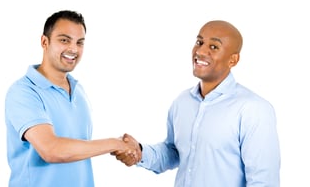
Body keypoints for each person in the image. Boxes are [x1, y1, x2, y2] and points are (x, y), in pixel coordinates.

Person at [113, 20, 281, 186]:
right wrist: (139, 152)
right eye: (199, 42)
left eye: (213, 47)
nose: (200, 51)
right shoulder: (182, 102)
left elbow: (263, 181)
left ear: (233, 60)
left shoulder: (253, 109)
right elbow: (173, 153)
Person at [5, 10, 140, 187]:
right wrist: (115, 144)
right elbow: (51, 150)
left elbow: (78, 151)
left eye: (80, 42)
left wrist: (127, 152)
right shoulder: (23, 92)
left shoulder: (79, 91)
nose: (73, 49)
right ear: (44, 42)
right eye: (64, 40)